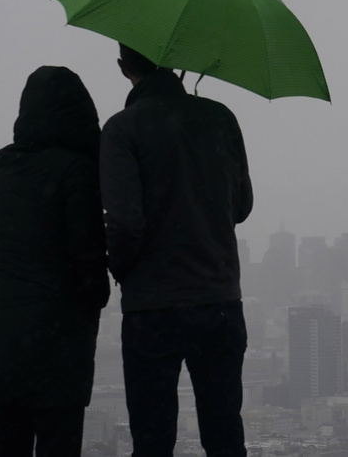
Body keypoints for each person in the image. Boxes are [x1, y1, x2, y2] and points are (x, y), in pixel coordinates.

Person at [101, 43, 253, 457]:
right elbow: (242, 207)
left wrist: (123, 270)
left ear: (122, 67)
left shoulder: (122, 129)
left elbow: (125, 223)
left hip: (153, 309)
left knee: (152, 440)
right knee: (224, 435)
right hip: (219, 301)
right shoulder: (220, 119)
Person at [0, 66, 110, 457]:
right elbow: (85, 262)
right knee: (58, 442)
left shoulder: (3, 165)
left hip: (4, 330)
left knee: (7, 441)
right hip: (59, 336)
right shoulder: (77, 171)